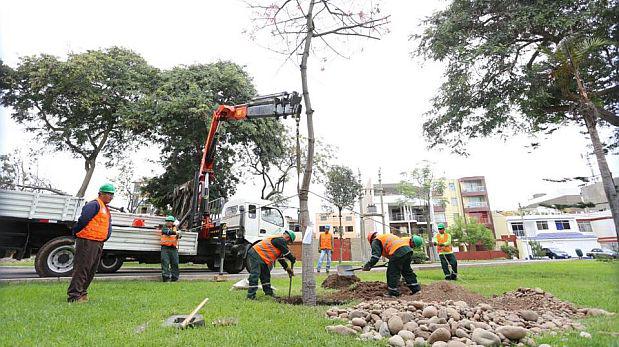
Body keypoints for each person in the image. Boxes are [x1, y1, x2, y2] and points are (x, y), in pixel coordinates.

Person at [67, 183, 115, 303]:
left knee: (91, 269)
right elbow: (83, 220)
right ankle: (74, 295)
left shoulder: (105, 208)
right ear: (100, 194)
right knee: (82, 267)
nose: (111, 196)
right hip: (87, 241)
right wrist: (76, 232)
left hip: (98, 242)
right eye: (108, 194)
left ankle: (82, 292)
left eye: (112, 194)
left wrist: (106, 237)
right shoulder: (94, 204)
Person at [362, 231, 421, 297]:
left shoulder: (376, 241)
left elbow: (375, 257)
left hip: (398, 251)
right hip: (408, 251)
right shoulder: (386, 237)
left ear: (370, 239)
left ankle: (393, 292)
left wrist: (368, 265)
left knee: (392, 272)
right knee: (407, 271)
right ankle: (416, 289)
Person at [246, 230, 296, 300]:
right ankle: (250, 296)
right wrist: (292, 259)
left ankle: (268, 293)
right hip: (256, 254)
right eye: (289, 242)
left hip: (263, 258)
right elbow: (287, 253)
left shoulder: (280, 244)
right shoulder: (280, 240)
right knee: (255, 274)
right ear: (288, 238)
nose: (288, 244)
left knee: (266, 275)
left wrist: (287, 269)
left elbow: (281, 259)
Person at [160, 215, 181, 282]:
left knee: (175, 263)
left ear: (173, 222)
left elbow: (178, 237)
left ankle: (175, 278)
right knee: (165, 262)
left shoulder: (175, 228)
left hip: (173, 248)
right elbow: (167, 232)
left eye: (170, 221)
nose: (168, 222)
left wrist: (179, 235)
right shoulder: (164, 228)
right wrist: (176, 232)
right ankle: (166, 278)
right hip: (165, 248)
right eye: (167, 221)